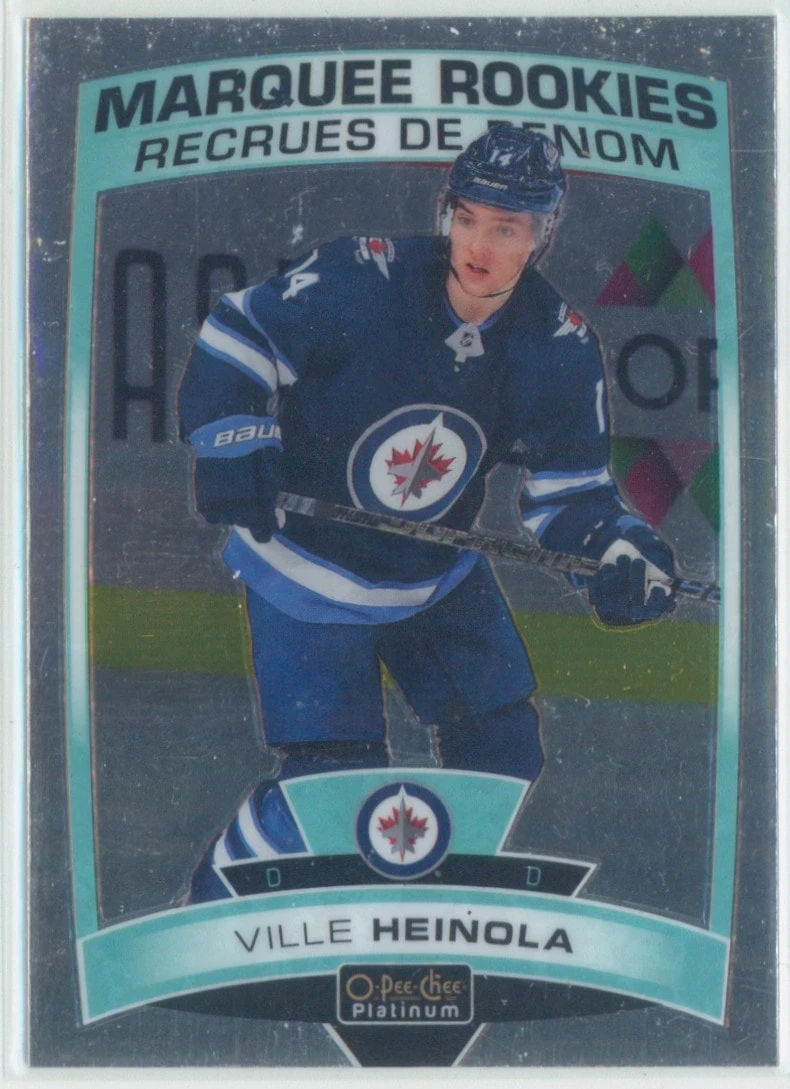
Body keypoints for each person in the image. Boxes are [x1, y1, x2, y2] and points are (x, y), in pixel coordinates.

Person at [177, 125, 676, 903]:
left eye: (505, 228)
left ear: (542, 234)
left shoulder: (558, 344)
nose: (478, 244)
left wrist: (622, 551)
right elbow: (240, 331)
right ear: (448, 212)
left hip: (433, 578)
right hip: (305, 572)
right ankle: (212, 904)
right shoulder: (365, 275)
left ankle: (423, 903)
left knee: (503, 748)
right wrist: (234, 437)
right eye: (467, 217)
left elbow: (571, 494)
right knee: (330, 784)